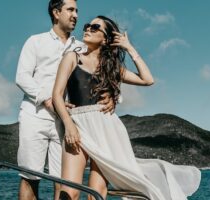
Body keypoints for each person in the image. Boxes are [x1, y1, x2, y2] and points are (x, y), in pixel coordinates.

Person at [52, 16, 201, 200]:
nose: (88, 29)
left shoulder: (112, 68)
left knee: (96, 194)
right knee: (69, 192)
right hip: (77, 126)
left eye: (95, 27)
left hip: (107, 129)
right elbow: (57, 95)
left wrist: (129, 48)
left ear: (106, 39)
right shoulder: (72, 57)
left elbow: (148, 79)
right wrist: (69, 125)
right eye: (87, 25)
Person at [15, 1, 115, 199]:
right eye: (70, 10)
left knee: (63, 180)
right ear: (56, 12)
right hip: (35, 116)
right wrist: (48, 99)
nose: (76, 15)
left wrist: (112, 96)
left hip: (69, 121)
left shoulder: (81, 47)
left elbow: (101, 71)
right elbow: (22, 77)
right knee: (30, 177)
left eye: (77, 10)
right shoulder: (35, 41)